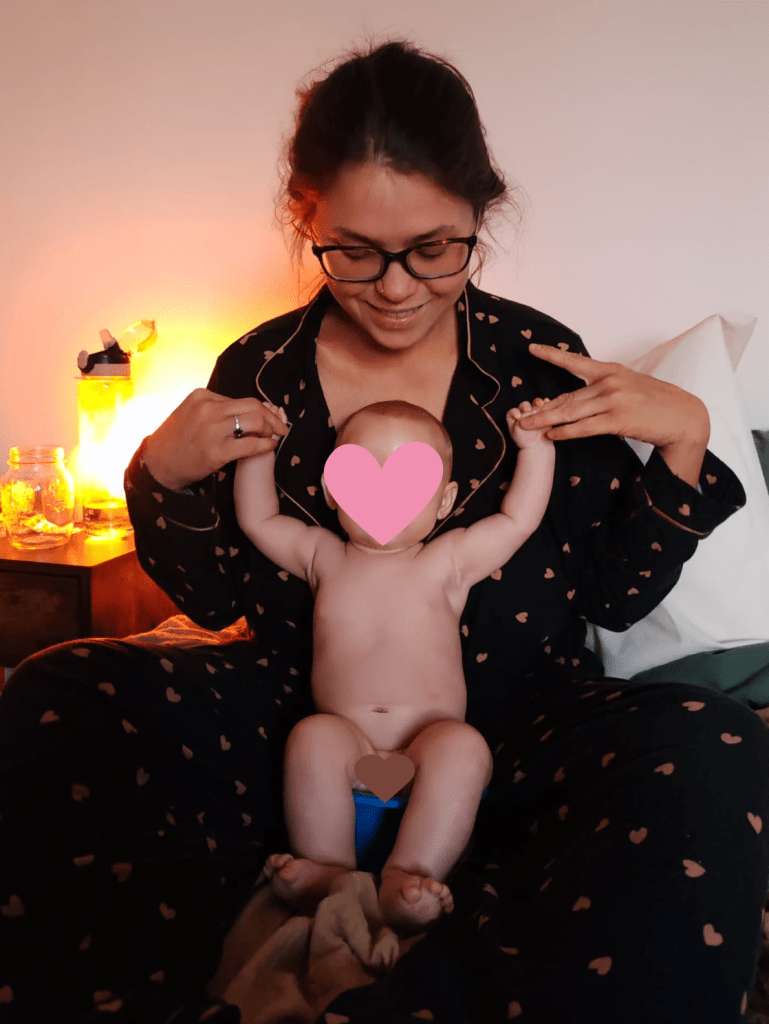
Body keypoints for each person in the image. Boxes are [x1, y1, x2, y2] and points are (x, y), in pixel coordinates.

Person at [1, 35, 768, 1024]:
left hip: (515, 726)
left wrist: (683, 446)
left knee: (714, 740)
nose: (396, 286)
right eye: (354, 251)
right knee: (61, 691)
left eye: (434, 248)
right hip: (294, 718)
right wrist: (165, 476)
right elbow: (215, 599)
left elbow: (611, 597)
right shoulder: (261, 369)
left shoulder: (539, 365)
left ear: (479, 219)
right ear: (304, 219)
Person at [232, 394, 555, 935]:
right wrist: (258, 452)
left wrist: (535, 448)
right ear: (333, 490)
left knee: (464, 745)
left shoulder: (445, 562)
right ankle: (328, 872)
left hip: (427, 771)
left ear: (446, 500)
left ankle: (410, 873)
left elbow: (518, 520)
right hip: (346, 763)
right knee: (311, 734)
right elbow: (259, 519)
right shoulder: (323, 556)